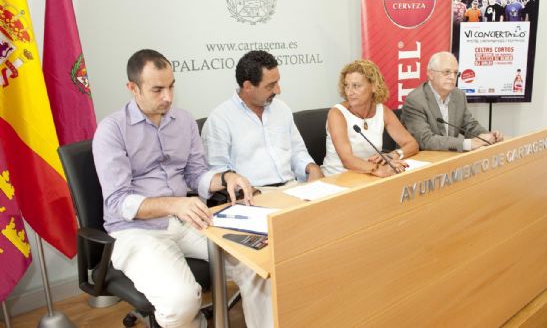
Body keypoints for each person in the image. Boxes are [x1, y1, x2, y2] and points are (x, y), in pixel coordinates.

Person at [93, 49, 268, 328]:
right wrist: (175, 204)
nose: (168, 97)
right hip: (136, 231)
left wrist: (226, 177)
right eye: (157, 89)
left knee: (258, 265)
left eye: (171, 86)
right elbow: (118, 202)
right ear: (133, 88)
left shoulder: (183, 121)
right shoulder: (112, 130)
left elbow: (195, 175)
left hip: (186, 219)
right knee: (180, 302)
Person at [201, 50, 323, 195]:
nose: (278, 90)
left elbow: (297, 151)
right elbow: (218, 172)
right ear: (247, 86)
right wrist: (244, 191)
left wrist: (311, 167)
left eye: (277, 82)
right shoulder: (220, 119)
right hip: (254, 193)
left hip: (292, 187)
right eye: (270, 86)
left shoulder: (282, 109)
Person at [323, 59, 418, 177]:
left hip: (369, 176)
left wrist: (393, 155)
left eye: (356, 86)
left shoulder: (382, 111)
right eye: (347, 86)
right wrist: (380, 169)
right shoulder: (337, 114)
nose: (349, 92)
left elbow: (412, 144)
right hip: (338, 178)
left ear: (373, 86)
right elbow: (347, 160)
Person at [401, 51, 504, 152]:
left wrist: (487, 136)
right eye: (446, 72)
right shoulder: (415, 101)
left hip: (449, 156)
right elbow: (425, 140)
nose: (452, 77)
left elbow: (469, 125)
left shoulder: (458, 95)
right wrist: (468, 144)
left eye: (455, 73)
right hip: (422, 158)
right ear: (431, 74)